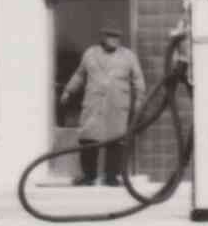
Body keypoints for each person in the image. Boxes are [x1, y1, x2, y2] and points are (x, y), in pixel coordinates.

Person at [60, 26, 146, 186]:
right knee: (88, 139)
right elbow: (79, 74)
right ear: (103, 37)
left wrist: (139, 98)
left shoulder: (128, 56)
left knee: (115, 141)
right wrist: (68, 91)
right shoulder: (90, 54)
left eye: (116, 37)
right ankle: (89, 176)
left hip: (117, 104)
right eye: (110, 36)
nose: (113, 39)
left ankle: (111, 177)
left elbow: (138, 79)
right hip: (93, 103)